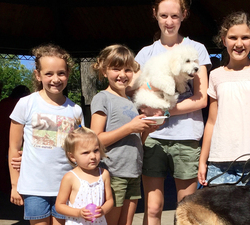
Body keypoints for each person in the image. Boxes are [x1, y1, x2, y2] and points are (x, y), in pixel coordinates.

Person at [130, 0, 211, 224]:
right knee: (153, 209)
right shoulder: (146, 53)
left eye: (174, 16)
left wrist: (164, 112)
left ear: (184, 15)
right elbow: (132, 88)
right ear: (154, 14)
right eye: (164, 16)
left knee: (186, 210)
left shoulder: (197, 50)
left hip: (186, 137)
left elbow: (201, 98)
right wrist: (150, 91)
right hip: (153, 137)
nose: (169, 21)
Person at [198, 11, 250, 187]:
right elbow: (211, 122)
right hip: (218, 163)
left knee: (248, 215)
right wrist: (202, 160)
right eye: (233, 37)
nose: (239, 43)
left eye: (245, 37)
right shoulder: (215, 75)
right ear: (224, 40)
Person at [8, 44, 84, 225]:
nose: (55, 79)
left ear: (68, 74)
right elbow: (13, 147)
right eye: (49, 73)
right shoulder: (25, 104)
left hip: (66, 186)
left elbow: (81, 149)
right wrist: (14, 185)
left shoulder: (76, 110)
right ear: (38, 75)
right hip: (34, 187)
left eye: (61, 73)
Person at [90, 44, 157, 225]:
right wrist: (130, 127)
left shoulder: (130, 102)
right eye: (116, 68)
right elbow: (95, 139)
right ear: (104, 71)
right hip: (112, 173)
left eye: (127, 69)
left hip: (133, 173)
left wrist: (146, 130)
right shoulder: (102, 98)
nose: (122, 74)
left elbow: (136, 141)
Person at [55, 122, 114, 225]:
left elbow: (109, 200)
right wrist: (78, 212)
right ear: (72, 157)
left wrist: (103, 210)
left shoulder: (103, 174)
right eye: (86, 153)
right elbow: (59, 205)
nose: (93, 156)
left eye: (96, 150)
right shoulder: (70, 177)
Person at [0, 85, 30, 194]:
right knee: (8, 160)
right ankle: (7, 188)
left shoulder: (3, 102)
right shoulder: (18, 104)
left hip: (2, 136)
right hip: (7, 135)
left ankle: (3, 188)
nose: (0, 92)